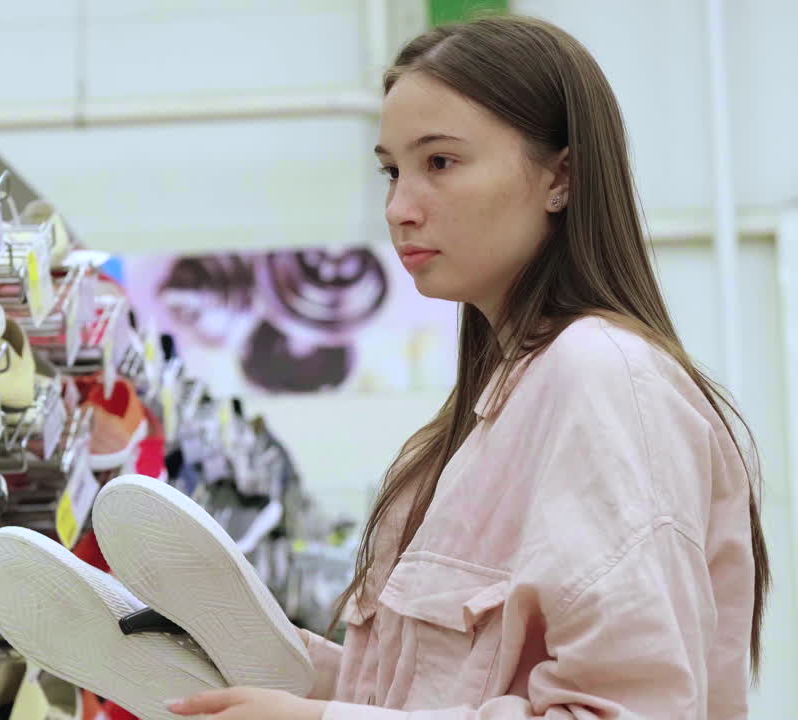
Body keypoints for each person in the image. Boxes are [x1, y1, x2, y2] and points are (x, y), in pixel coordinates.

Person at [166, 14, 768, 720]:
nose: (399, 208)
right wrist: (276, 668)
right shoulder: (486, 413)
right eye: (392, 170)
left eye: (440, 163)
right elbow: (433, 690)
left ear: (561, 178)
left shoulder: (600, 378)